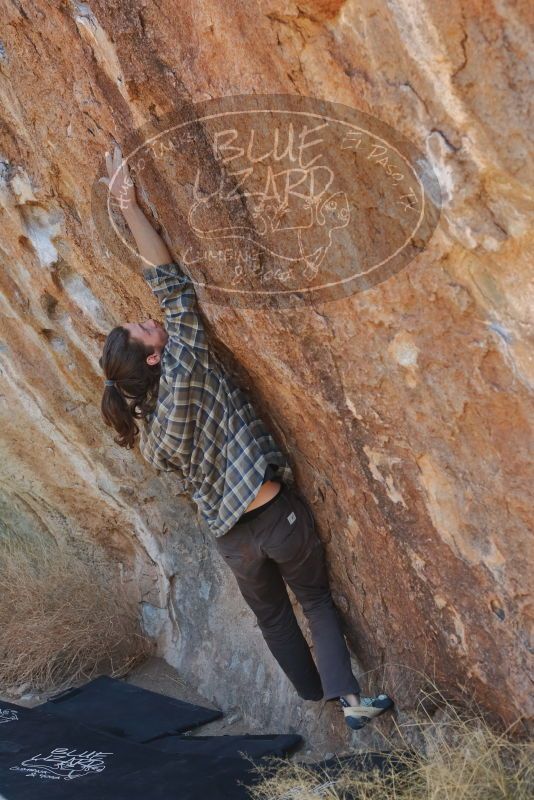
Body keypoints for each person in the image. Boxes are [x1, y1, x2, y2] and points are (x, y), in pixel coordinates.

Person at [98, 145, 393, 731]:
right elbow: (171, 286)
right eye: (141, 326)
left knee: (276, 622)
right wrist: (128, 205)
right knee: (314, 602)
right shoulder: (184, 368)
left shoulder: (151, 436)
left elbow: (165, 301)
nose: (145, 316)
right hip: (272, 515)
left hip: (235, 544)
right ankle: (350, 700)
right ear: (154, 356)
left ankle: (315, 703)